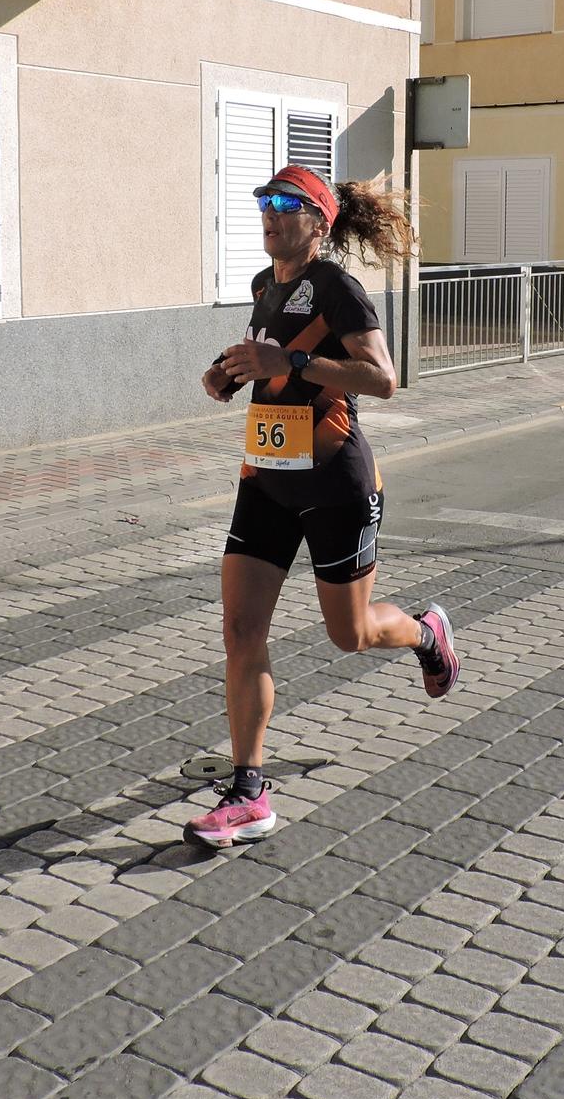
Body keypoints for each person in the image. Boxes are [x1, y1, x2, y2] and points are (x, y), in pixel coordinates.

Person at [188, 166, 458, 850]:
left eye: (286, 204)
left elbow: (384, 379)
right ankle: (249, 792)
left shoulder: (339, 287)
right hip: (268, 477)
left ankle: (426, 635)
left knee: (351, 633)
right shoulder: (263, 286)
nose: (269, 214)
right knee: (241, 629)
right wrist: (231, 373)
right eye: (264, 203)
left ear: (319, 220)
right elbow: (269, 363)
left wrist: (292, 364)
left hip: (336, 478)